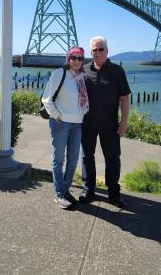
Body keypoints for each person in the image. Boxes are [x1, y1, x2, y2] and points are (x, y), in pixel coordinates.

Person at [79, 36, 131, 208]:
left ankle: (113, 193)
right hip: (87, 123)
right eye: (94, 49)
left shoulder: (117, 71)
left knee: (113, 158)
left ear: (107, 51)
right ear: (91, 52)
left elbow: (124, 99)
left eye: (101, 49)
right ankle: (89, 189)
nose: (98, 52)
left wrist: (123, 122)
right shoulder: (83, 70)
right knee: (87, 157)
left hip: (110, 124)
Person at [42, 47, 89, 209]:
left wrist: (84, 113)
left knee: (73, 160)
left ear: (83, 60)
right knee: (59, 159)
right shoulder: (59, 74)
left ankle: (65, 190)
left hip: (77, 124)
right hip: (61, 123)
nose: (76, 61)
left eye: (80, 58)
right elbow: (46, 99)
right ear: (68, 58)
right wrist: (56, 115)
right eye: (73, 57)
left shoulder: (82, 77)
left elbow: (83, 100)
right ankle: (59, 193)